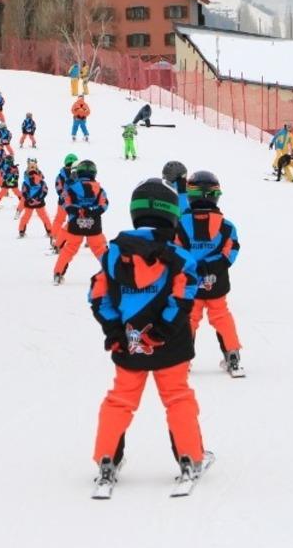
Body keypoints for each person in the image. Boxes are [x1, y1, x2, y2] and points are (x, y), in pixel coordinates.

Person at [88, 179, 207, 491]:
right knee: (178, 397)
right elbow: (184, 296)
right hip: (171, 343)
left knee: (119, 400)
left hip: (129, 342)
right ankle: (189, 457)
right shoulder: (178, 256)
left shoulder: (114, 254)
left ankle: (106, 458)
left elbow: (98, 295)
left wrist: (114, 329)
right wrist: (164, 328)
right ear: (171, 215)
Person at [175, 170, 244, 376]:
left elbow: (176, 250)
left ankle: (183, 358)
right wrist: (215, 266)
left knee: (189, 317)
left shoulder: (181, 224)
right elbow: (232, 250)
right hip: (217, 281)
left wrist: (193, 267)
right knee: (221, 316)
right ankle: (232, 354)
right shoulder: (226, 226)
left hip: (190, 282)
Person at [53, 159, 109, 284]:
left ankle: (58, 273)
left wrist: (77, 210)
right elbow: (104, 204)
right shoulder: (99, 189)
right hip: (94, 225)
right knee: (100, 249)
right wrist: (92, 210)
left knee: (69, 249)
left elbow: (65, 203)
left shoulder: (72, 188)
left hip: (75, 224)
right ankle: (111, 272)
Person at [18, 159, 53, 240]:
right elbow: (45, 190)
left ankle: (21, 231)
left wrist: (29, 199)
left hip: (29, 203)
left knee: (26, 217)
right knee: (44, 217)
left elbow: (24, 192)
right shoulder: (41, 181)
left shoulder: (26, 182)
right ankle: (50, 231)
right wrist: (39, 199)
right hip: (39, 203)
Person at [51, 154, 78, 247]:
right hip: (73, 203)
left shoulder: (61, 175)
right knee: (79, 219)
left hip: (64, 202)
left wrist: (64, 196)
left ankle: (54, 236)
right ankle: (56, 237)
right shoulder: (78, 174)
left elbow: (58, 187)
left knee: (59, 219)